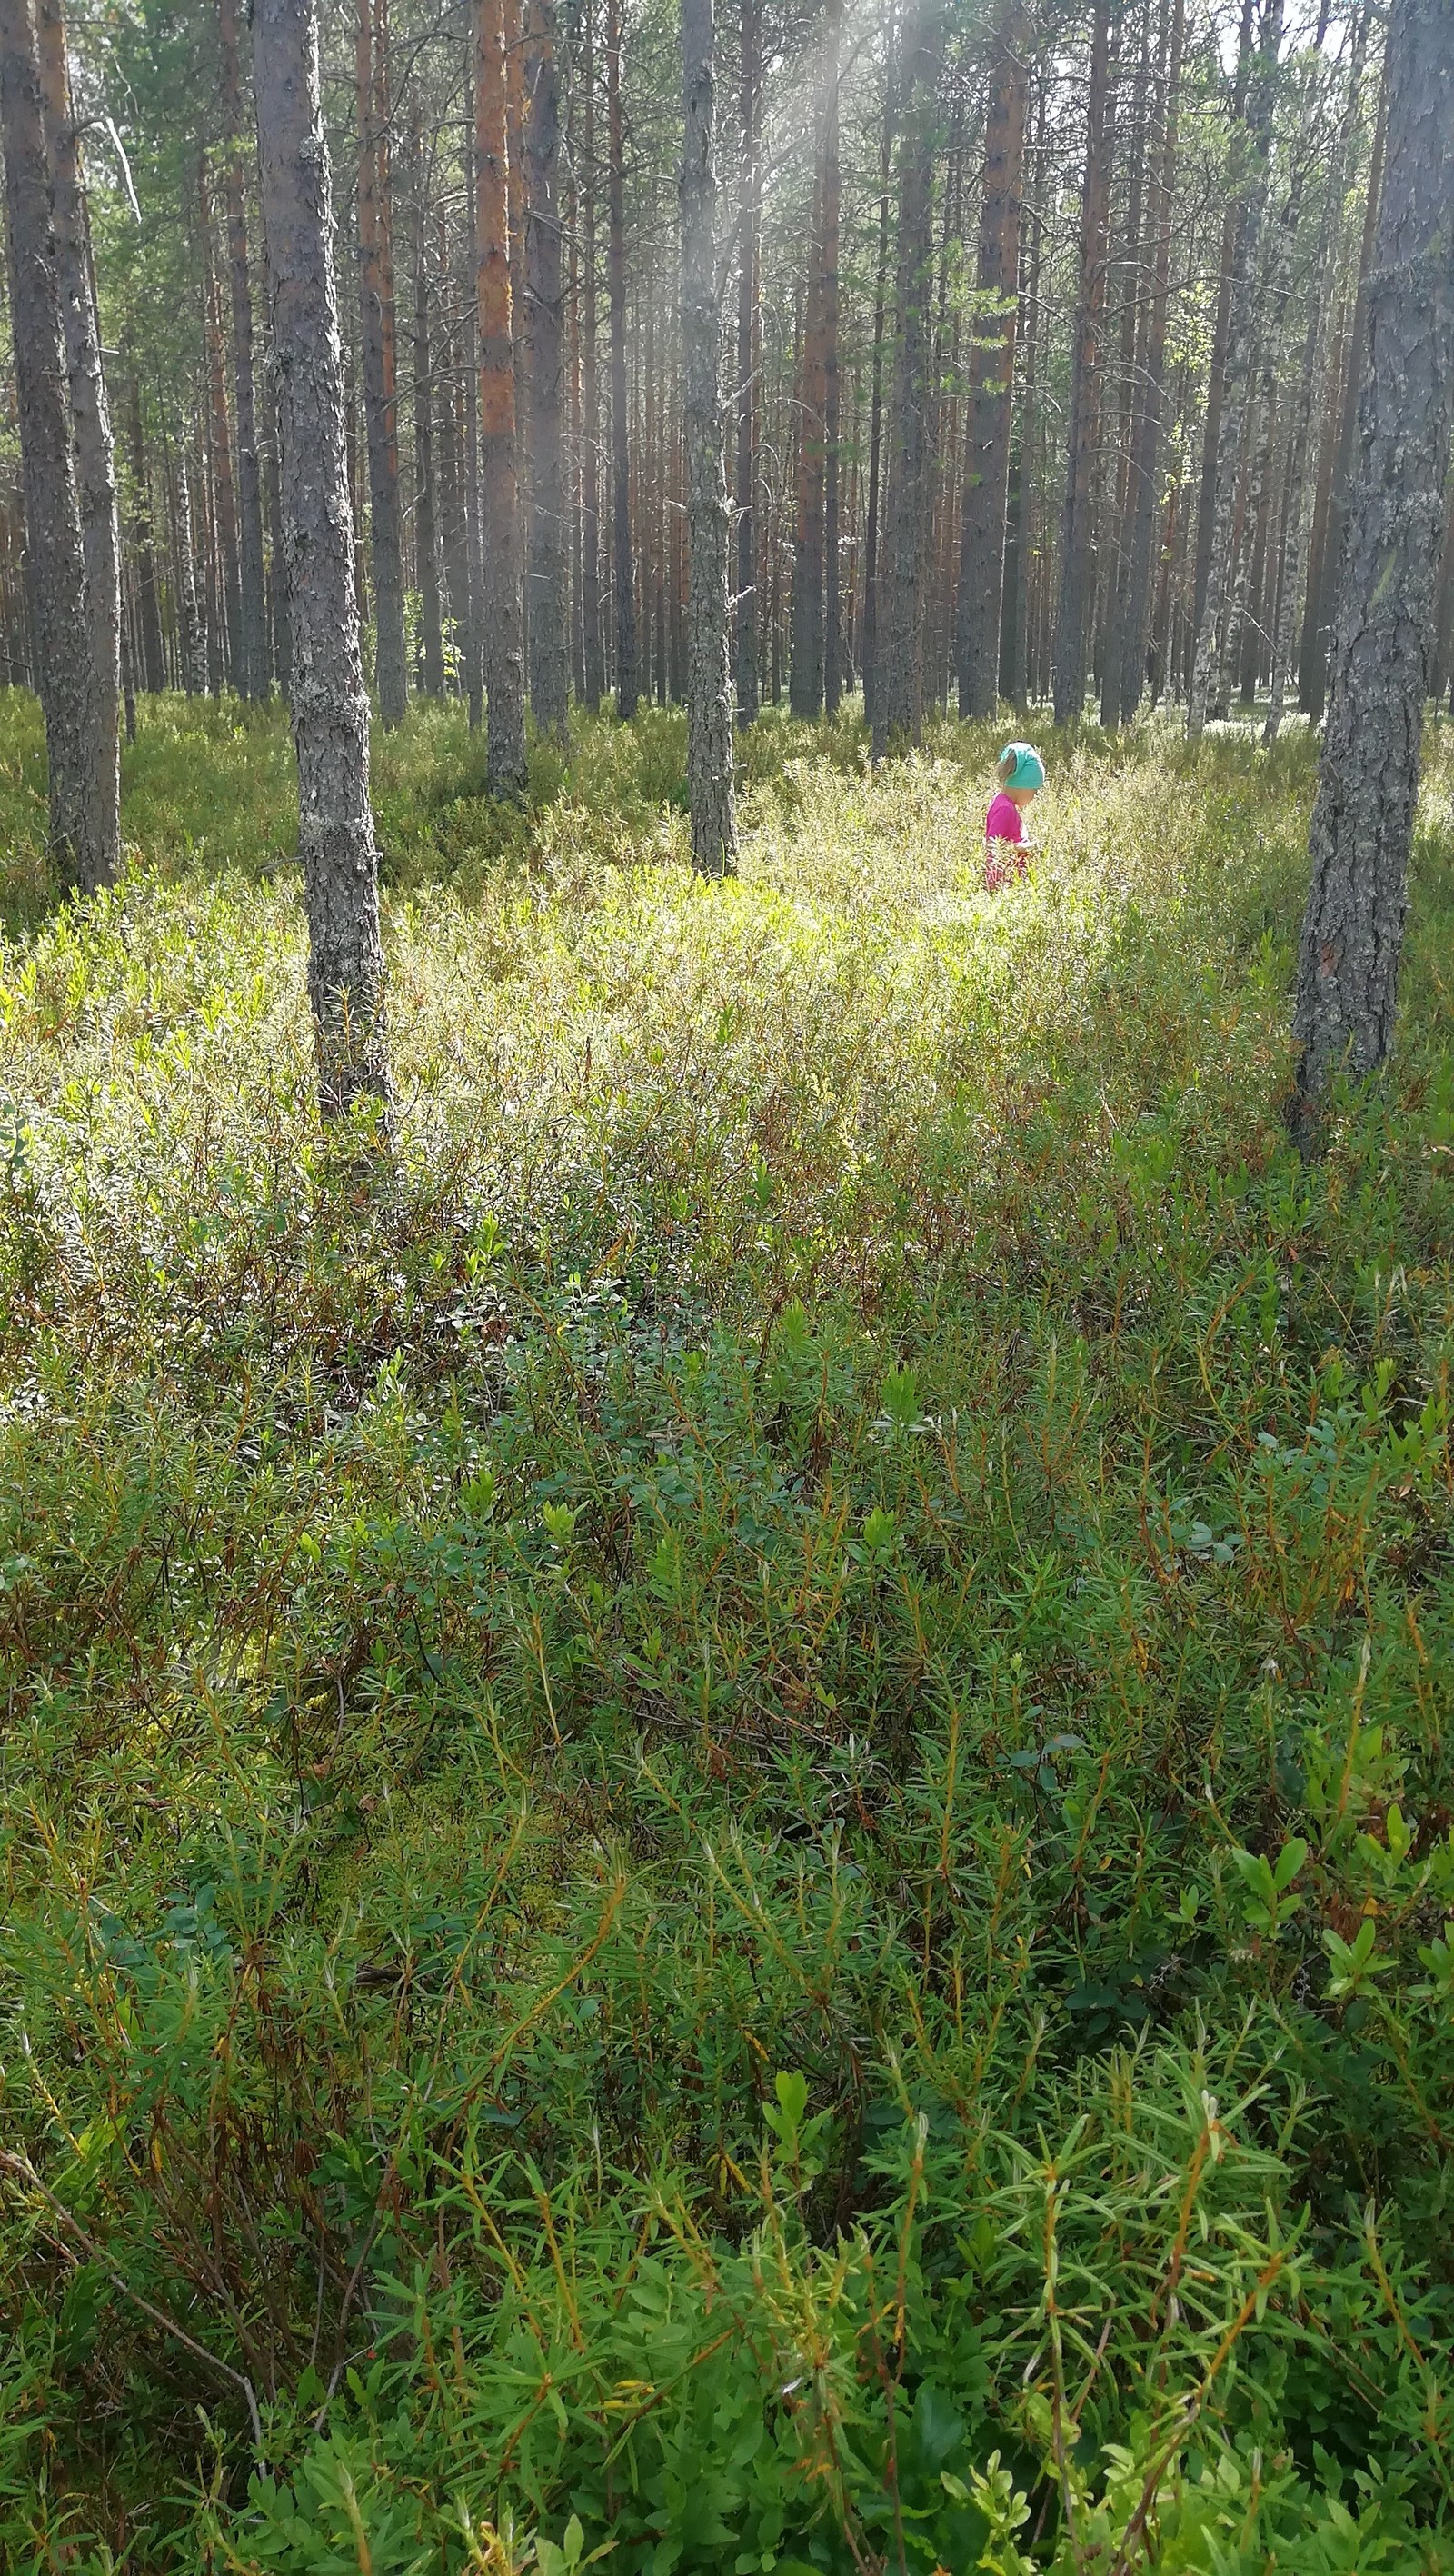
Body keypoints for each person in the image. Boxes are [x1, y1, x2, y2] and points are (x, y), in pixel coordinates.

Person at [984, 741, 1045, 891]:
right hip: (1004, 885)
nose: (1034, 796)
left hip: (1011, 883)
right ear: (1023, 785)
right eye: (1033, 790)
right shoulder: (1005, 809)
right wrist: (1023, 847)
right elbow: (993, 845)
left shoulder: (1003, 803)